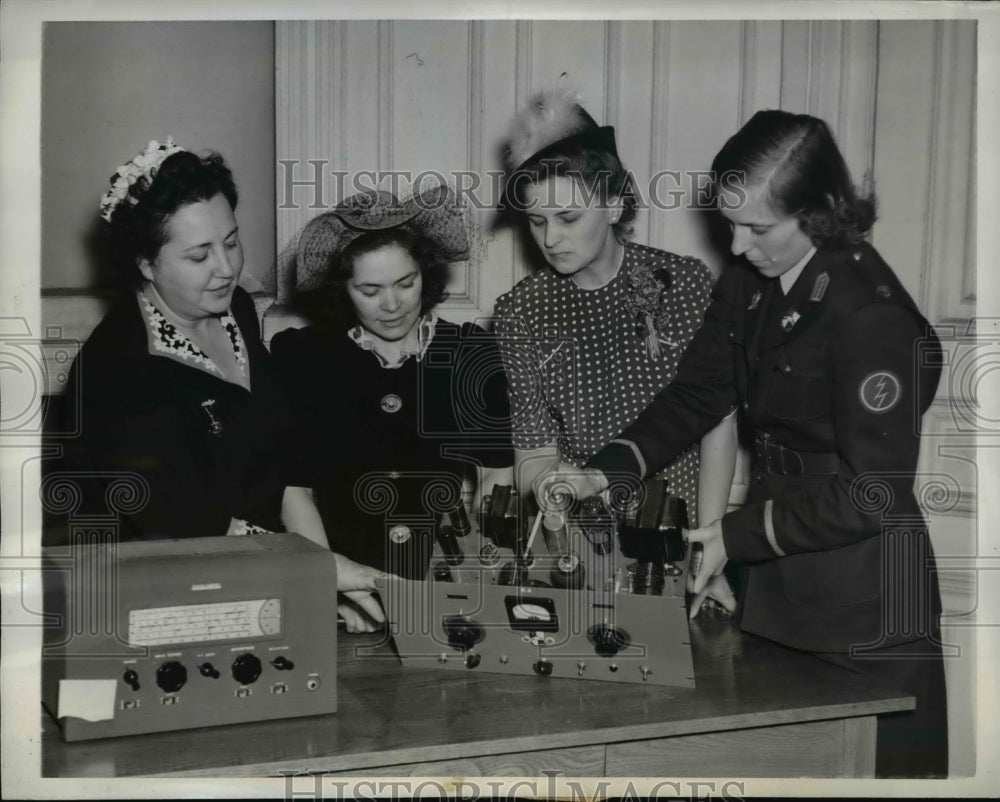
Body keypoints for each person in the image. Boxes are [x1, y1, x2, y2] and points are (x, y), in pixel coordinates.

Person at [536, 110, 948, 778]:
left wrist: (734, 535)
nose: (733, 246)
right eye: (729, 222)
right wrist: (599, 474)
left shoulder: (871, 315)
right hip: (776, 576)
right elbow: (698, 394)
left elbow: (873, 493)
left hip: (862, 599)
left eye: (756, 228)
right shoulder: (751, 278)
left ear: (818, 215)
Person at [55, 138, 384, 627]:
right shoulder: (116, 371)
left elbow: (284, 472)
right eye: (199, 255)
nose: (227, 268)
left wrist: (320, 581)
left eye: (230, 241)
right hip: (153, 597)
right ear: (145, 264)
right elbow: (192, 524)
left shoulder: (240, 312)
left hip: (267, 571)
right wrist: (317, 573)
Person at [493, 89, 738, 569]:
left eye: (568, 217)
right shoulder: (519, 311)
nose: (550, 238)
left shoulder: (682, 283)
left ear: (614, 204)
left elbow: (718, 422)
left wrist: (708, 541)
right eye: (536, 221)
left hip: (677, 529)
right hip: (581, 546)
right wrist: (547, 486)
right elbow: (534, 449)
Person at [269, 186, 514, 626]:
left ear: (426, 273)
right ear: (342, 289)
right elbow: (294, 489)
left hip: (441, 583)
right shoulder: (302, 359)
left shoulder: (469, 352)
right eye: (369, 289)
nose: (392, 304)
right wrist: (328, 586)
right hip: (340, 585)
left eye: (406, 283)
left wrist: (481, 573)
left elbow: (497, 473)